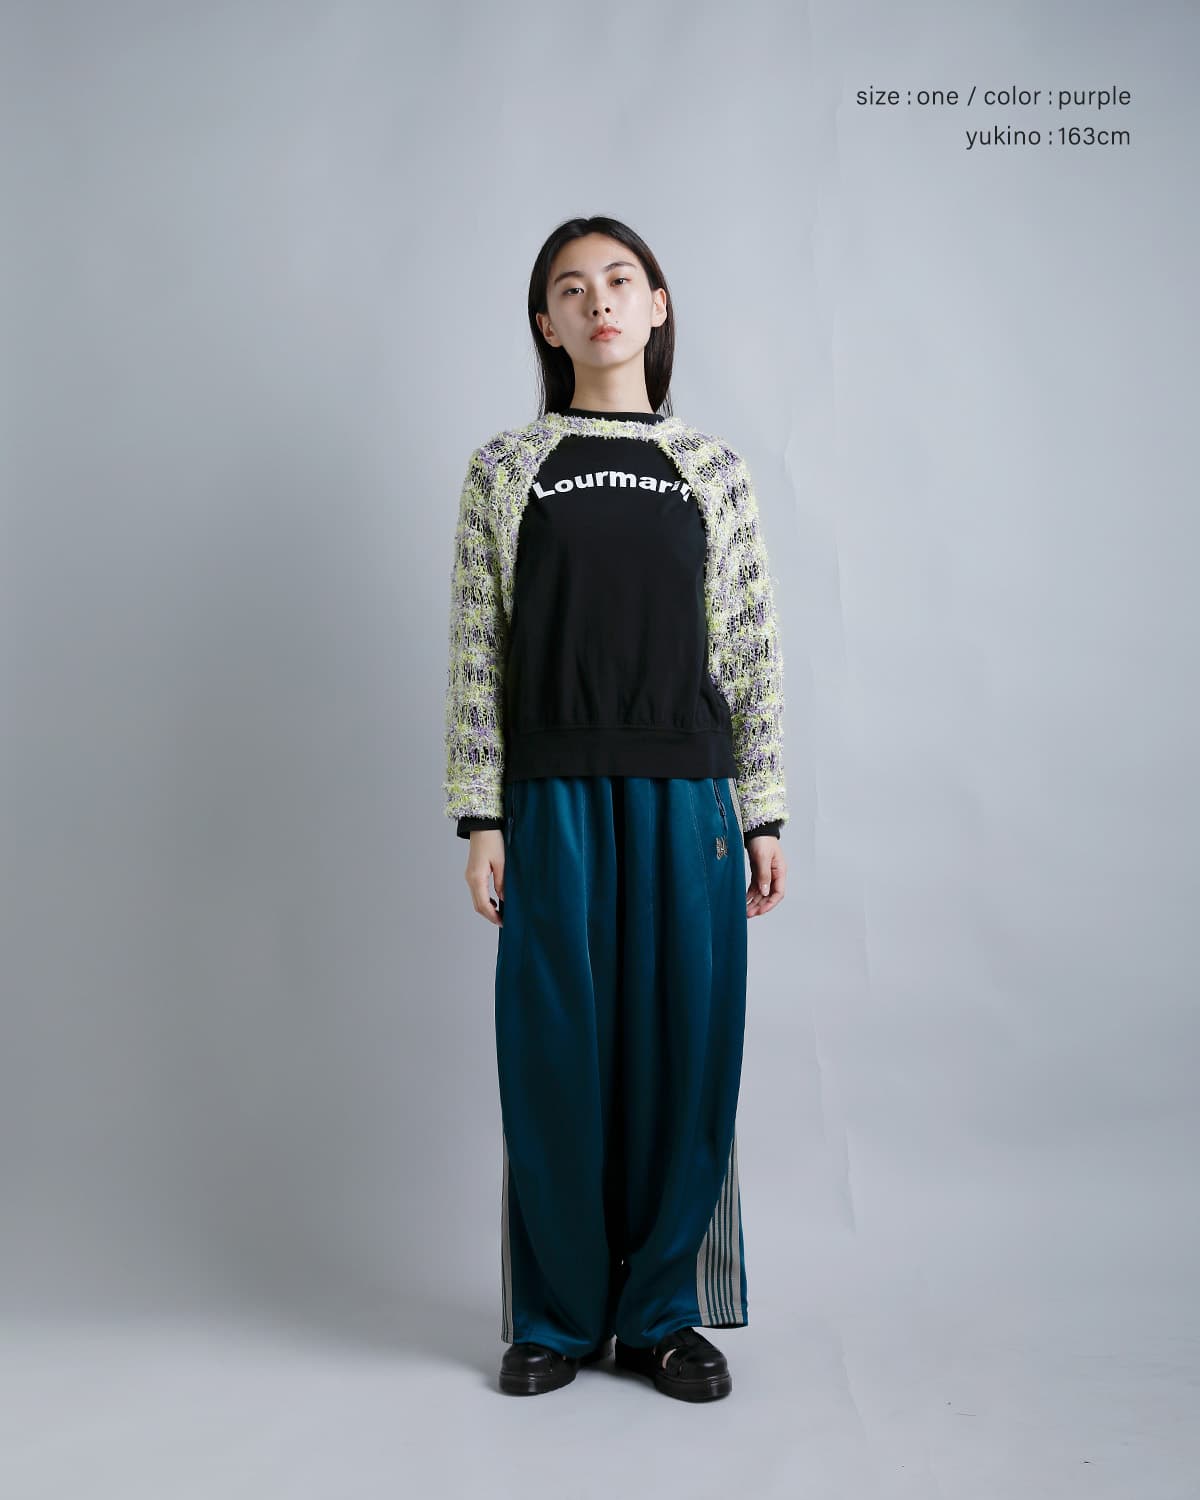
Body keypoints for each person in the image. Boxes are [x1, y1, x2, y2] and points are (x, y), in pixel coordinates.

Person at [443, 216, 788, 1402]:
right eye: (571, 289)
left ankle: (660, 1315)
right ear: (547, 324)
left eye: (620, 281)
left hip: (690, 797)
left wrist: (762, 815)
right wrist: (481, 817)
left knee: (684, 1053)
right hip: (551, 796)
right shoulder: (507, 467)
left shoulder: (713, 468)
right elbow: (477, 650)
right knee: (555, 1055)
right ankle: (555, 1316)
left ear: (657, 305)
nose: (599, 302)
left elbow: (749, 651)